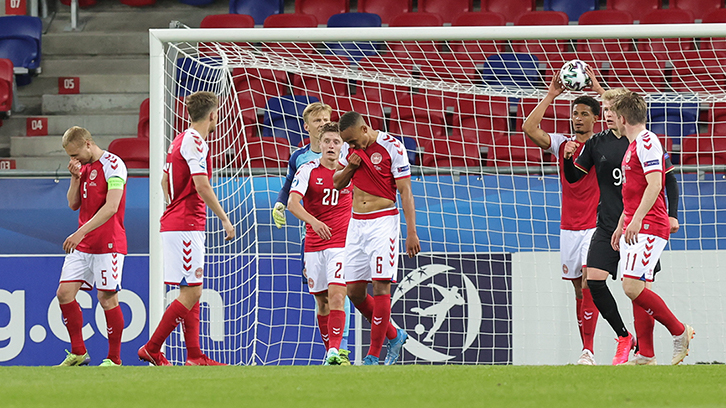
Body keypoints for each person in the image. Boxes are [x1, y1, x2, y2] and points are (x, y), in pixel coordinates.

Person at [563, 75, 681, 365]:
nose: (605, 115)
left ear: (621, 114)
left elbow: (666, 180)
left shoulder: (643, 142)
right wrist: (567, 158)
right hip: (611, 224)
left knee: (637, 289)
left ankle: (648, 352)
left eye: (609, 110)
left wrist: (672, 214)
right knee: (595, 281)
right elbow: (575, 177)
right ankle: (624, 336)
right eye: (603, 110)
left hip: (642, 224)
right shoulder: (599, 143)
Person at [138, 91, 235, 366]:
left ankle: (193, 355)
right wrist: (224, 219)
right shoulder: (196, 142)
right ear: (214, 114)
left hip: (178, 221)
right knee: (192, 292)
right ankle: (152, 348)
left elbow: (163, 181)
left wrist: (174, 203)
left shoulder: (179, 140)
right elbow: (201, 185)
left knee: (190, 288)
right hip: (186, 224)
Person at [609, 91, 694, 365]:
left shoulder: (647, 141)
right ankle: (646, 353)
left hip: (649, 225)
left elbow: (656, 184)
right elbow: (634, 190)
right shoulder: (634, 145)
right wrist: (623, 222)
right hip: (635, 224)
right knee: (636, 286)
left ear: (623, 119)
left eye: (614, 116)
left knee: (631, 287)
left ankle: (680, 331)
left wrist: (635, 220)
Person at [522, 75, 601, 365]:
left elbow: (622, 122)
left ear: (596, 118)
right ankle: (587, 349)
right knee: (578, 288)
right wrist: (551, 94)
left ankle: (589, 351)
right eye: (574, 114)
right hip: (569, 227)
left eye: (584, 114)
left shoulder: (603, 144)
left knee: (589, 285)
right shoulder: (562, 144)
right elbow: (529, 128)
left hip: (595, 225)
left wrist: (599, 89)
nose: (577, 119)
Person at [334, 110, 420, 365]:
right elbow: (337, 183)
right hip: (356, 223)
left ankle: (373, 356)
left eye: (352, 141)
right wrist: (350, 164)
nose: (350, 146)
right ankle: (395, 336)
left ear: (364, 129)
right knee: (354, 292)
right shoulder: (349, 152)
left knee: (381, 286)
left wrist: (411, 231)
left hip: (383, 222)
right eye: (346, 143)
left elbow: (405, 191)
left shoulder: (392, 147)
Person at [270, 102, 353, 365]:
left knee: (340, 295)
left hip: (342, 242)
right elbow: (290, 193)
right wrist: (281, 204)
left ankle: (339, 348)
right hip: (313, 241)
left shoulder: (351, 163)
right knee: (322, 301)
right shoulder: (303, 163)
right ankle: (331, 351)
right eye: (318, 123)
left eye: (334, 139)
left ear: (341, 143)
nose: (329, 142)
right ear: (309, 128)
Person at [55, 126, 128, 367]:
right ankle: (78, 353)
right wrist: (75, 177)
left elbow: (111, 207)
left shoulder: (113, 165)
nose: (72, 159)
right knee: (64, 294)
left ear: (88, 143)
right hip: (84, 245)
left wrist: (79, 232)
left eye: (75, 154)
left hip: (108, 243)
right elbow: (72, 204)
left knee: (107, 299)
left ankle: (114, 359)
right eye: (69, 156)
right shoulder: (83, 168)